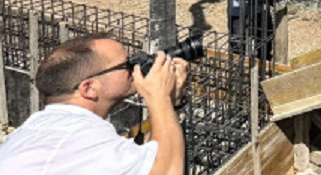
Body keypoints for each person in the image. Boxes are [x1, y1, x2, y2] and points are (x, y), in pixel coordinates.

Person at [0, 33, 189, 174]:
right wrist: (159, 97)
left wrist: (169, 104)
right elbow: (168, 171)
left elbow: (150, 159)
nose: (135, 68)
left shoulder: (39, 130)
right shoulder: (80, 135)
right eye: (126, 65)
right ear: (89, 88)